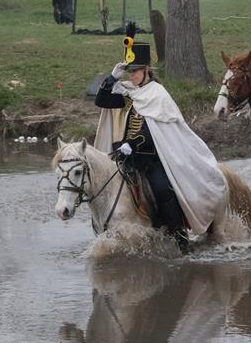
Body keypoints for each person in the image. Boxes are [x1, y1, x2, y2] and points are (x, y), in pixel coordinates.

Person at [93, 38, 227, 252]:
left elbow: (152, 130)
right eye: (129, 72)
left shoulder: (158, 94)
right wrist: (111, 78)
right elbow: (102, 101)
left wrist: (133, 143)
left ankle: (180, 239)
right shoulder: (129, 92)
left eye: (135, 71)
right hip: (127, 157)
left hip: (152, 157)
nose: (132, 76)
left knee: (163, 190)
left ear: (146, 70)